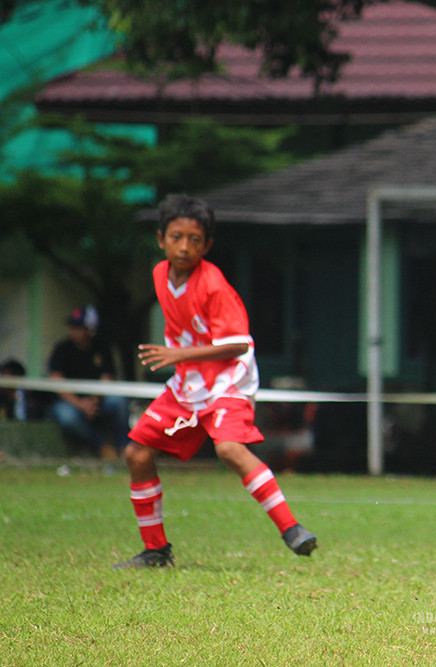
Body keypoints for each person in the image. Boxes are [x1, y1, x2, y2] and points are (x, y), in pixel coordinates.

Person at [113, 194, 317, 569]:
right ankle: (156, 551)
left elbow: (238, 344)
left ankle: (292, 529)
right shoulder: (160, 274)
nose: (184, 247)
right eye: (176, 237)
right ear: (161, 239)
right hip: (189, 382)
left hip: (228, 379)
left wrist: (178, 355)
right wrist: (182, 359)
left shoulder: (214, 285)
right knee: (136, 454)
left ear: (207, 245)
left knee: (228, 449)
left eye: (194, 240)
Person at [46, 305, 131, 459]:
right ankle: (102, 445)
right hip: (71, 401)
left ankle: (125, 447)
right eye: (72, 327)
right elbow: (56, 380)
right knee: (66, 416)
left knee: (119, 402)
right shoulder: (62, 349)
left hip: (97, 399)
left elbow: (107, 377)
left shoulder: (102, 347)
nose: (73, 331)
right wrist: (80, 404)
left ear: (90, 330)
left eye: (78, 327)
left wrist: (94, 400)